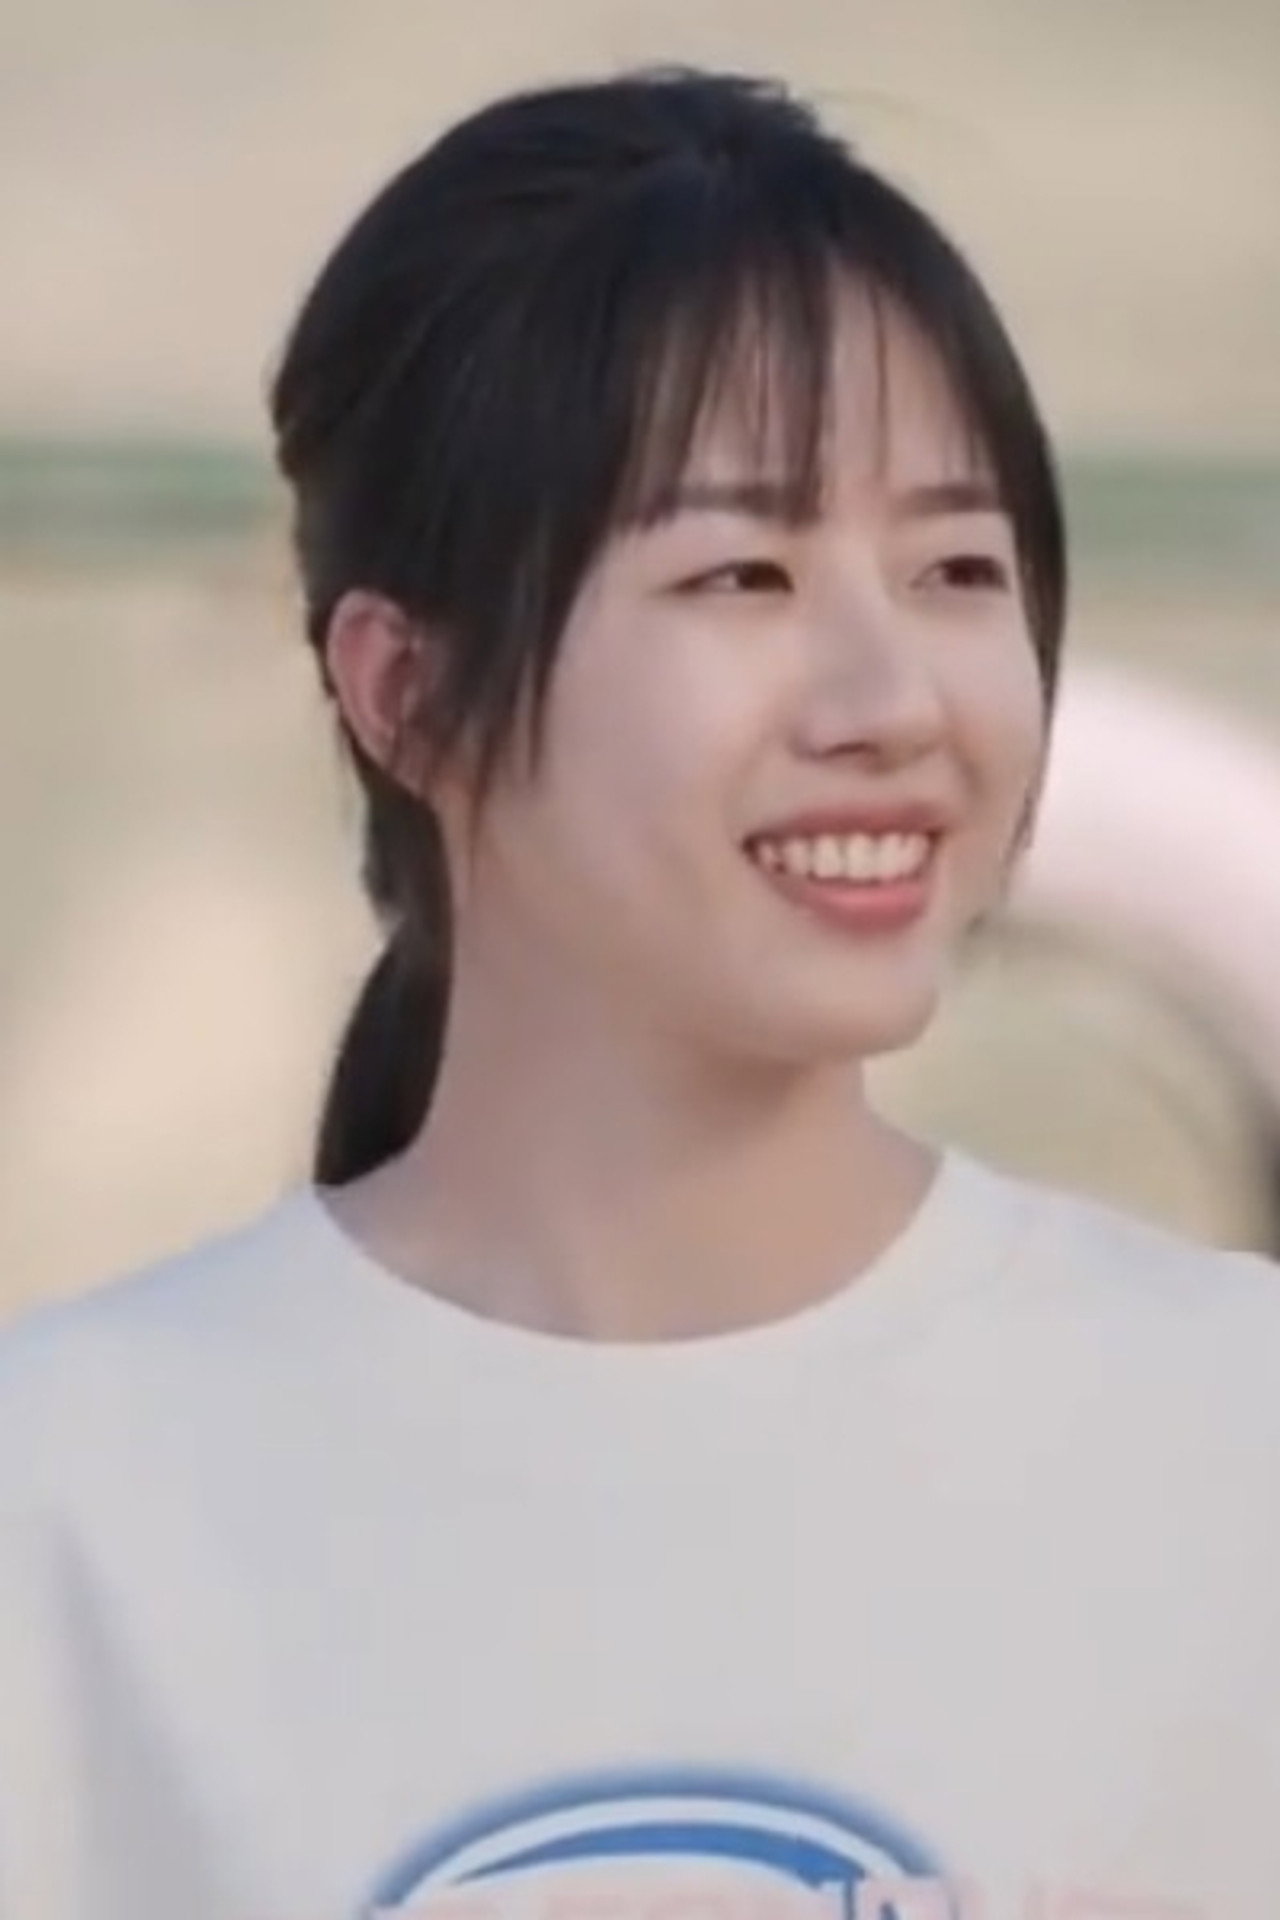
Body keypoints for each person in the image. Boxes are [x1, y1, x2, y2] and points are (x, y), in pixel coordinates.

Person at [1, 66, 1277, 1920]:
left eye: (957, 567)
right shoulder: (70, 1503)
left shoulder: (1231, 1440)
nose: (891, 699)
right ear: (404, 692)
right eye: (743, 573)